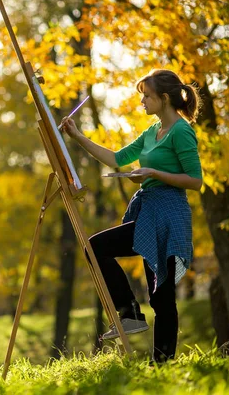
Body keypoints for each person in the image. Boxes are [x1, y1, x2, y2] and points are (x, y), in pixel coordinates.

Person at [60, 69, 203, 363]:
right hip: (148, 212)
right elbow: (116, 158)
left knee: (161, 297)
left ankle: (162, 363)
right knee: (96, 248)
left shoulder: (182, 131)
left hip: (169, 215)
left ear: (163, 99)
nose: (142, 102)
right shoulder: (151, 132)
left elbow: (195, 180)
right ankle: (130, 314)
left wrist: (153, 173)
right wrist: (77, 137)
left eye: (146, 96)